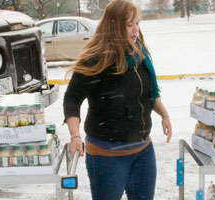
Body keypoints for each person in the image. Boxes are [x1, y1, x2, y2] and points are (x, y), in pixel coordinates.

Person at [63, 0, 172, 199]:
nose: (135, 30)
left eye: (137, 23)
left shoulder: (139, 53)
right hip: (107, 156)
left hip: (142, 151)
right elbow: (72, 98)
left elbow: (148, 94)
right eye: (129, 25)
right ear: (114, 26)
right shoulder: (97, 58)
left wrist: (164, 114)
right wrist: (75, 136)